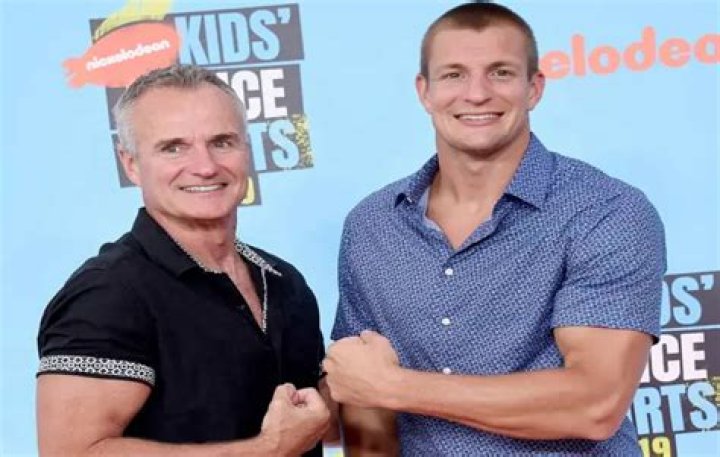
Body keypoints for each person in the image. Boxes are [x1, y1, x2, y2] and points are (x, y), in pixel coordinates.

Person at [325, 2, 665, 456]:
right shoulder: (372, 225)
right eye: (454, 75)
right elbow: (364, 400)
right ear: (424, 91)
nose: (477, 94)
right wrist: (372, 390)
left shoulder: (605, 211)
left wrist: (396, 386)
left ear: (534, 88)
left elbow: (594, 404)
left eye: (500, 73)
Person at [36, 64, 334, 456]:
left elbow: (317, 425)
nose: (205, 166)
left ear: (247, 149)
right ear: (130, 163)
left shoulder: (283, 282)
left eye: (222, 142)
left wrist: (371, 377)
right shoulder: (108, 294)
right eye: (173, 147)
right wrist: (269, 449)